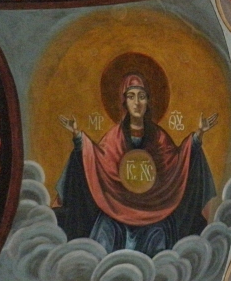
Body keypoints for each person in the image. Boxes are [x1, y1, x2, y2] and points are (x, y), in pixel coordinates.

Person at [55, 73, 218, 257]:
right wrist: (78, 136)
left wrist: (198, 135)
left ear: (148, 101)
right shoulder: (114, 137)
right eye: (131, 96)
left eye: (142, 96)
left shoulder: (159, 137)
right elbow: (97, 159)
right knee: (103, 236)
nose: (137, 102)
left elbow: (177, 161)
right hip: (116, 210)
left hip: (154, 212)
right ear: (124, 102)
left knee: (159, 244)